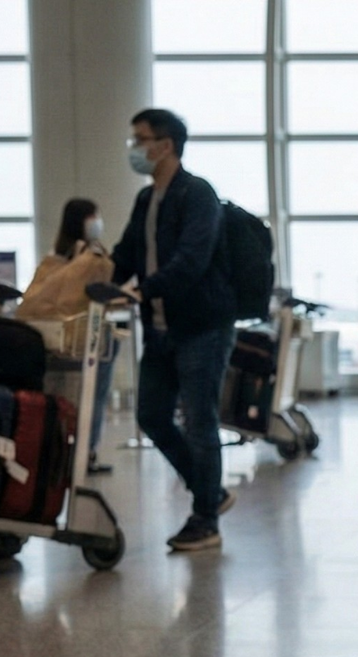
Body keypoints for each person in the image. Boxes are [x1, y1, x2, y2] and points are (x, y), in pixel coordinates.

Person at [110, 108, 237, 552]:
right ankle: (211, 492)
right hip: (161, 327)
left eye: (140, 140)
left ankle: (205, 519)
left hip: (202, 325)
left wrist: (144, 290)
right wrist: (99, 280)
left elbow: (192, 260)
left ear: (164, 145)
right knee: (151, 415)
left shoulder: (196, 193)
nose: (134, 149)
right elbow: (126, 253)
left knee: (200, 420)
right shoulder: (147, 200)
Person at [51, 197, 116, 474]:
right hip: (89, 335)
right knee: (94, 395)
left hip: (60, 337)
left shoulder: (55, 259)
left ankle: (62, 450)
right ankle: (86, 451)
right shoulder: (91, 259)